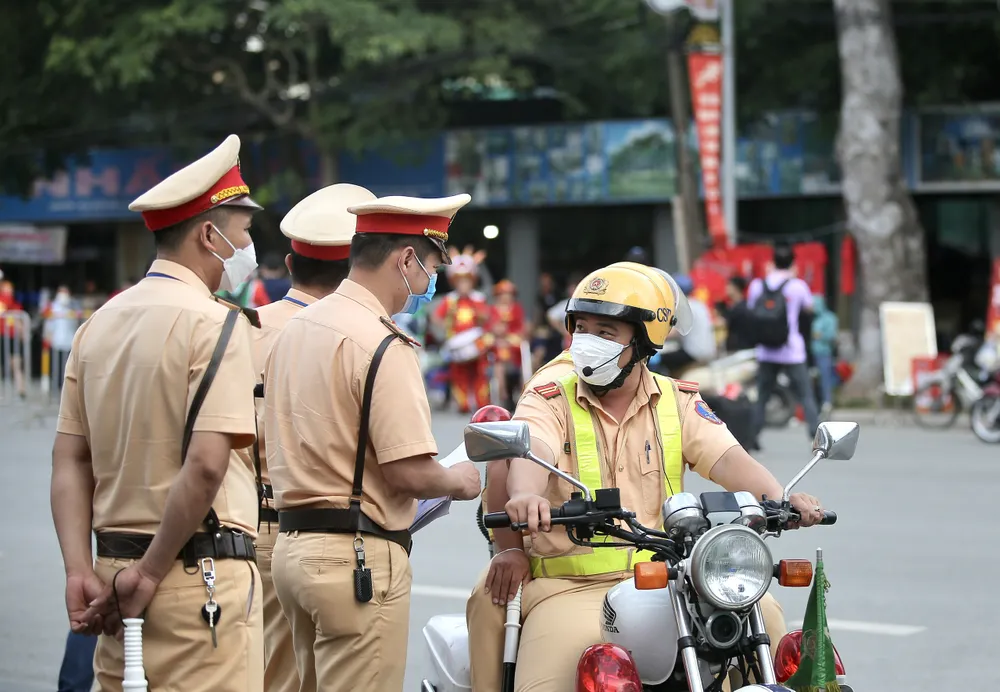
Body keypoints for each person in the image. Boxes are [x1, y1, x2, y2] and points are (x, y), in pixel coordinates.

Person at [474, 261, 826, 692]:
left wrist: (784, 499)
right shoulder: (549, 395)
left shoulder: (676, 401)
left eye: (606, 334)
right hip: (570, 588)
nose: (587, 343)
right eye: (580, 329)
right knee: (546, 681)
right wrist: (526, 496)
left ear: (643, 341)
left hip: (673, 581)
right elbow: (534, 448)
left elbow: (732, 460)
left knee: (766, 621)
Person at [51, 134, 265, 691]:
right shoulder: (217, 325)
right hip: (197, 580)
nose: (249, 247)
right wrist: (150, 573)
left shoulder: (96, 325)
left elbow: (70, 461)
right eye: (243, 232)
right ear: (209, 234)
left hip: (110, 579)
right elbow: (205, 468)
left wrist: (79, 570)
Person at [263, 193, 483, 692]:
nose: (429, 283)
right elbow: (409, 473)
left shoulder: (294, 328)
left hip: (292, 548)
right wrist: (459, 480)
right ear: (405, 260)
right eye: (430, 267)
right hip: (356, 558)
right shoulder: (382, 342)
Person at [241, 183, 376, 692]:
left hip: (249, 526)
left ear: (291, 265)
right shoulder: (360, 336)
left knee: (268, 674)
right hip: (336, 537)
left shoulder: (246, 328)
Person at [747, 244, 819, 439]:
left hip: (765, 349)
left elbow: (751, 308)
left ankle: (752, 437)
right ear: (793, 263)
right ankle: (816, 435)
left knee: (762, 396)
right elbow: (810, 309)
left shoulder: (757, 285)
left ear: (772, 262)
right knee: (805, 394)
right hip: (792, 350)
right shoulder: (797, 286)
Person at [433, 248, 494, 413]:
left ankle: (482, 405)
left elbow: (486, 318)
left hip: (476, 343)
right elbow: (436, 318)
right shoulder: (450, 300)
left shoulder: (478, 299)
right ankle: (463, 404)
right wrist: (445, 329)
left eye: (466, 281)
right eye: (460, 282)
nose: (463, 285)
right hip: (458, 344)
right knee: (458, 375)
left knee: (481, 372)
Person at [654, 274, 717, 375]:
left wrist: (654, 335)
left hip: (694, 353)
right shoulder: (700, 304)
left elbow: (674, 332)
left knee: (661, 360)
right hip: (709, 352)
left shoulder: (685, 307)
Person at [489, 279, 527, 410]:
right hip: (499, 346)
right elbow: (490, 327)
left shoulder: (516, 308)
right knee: (499, 361)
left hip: (514, 345)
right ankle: (502, 394)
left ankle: (524, 391)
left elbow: (521, 328)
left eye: (509, 294)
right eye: (503, 294)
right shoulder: (493, 309)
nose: (506, 297)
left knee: (526, 358)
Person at [811, 294, 839, 417]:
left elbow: (832, 336)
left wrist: (820, 336)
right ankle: (816, 406)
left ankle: (827, 404)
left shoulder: (830, 318)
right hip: (812, 353)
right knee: (813, 381)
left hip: (824, 353)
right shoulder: (813, 318)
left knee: (825, 380)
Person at [721, 276, 756, 352]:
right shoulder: (734, 307)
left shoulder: (741, 308)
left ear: (735, 287)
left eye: (728, 285)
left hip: (741, 350)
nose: (726, 288)